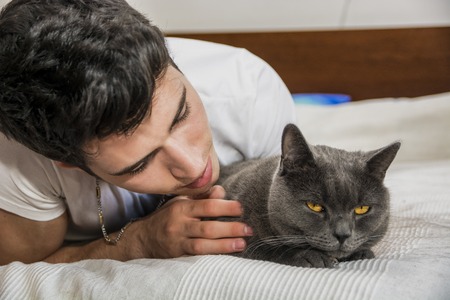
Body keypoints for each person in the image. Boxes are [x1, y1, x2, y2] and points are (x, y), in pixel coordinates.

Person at [0, 0, 296, 265]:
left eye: (181, 114)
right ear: (66, 161)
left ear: (171, 60)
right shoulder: (19, 164)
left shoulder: (250, 92)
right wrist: (137, 242)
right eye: (140, 163)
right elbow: (25, 266)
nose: (194, 166)